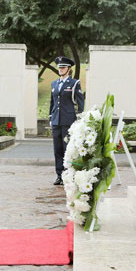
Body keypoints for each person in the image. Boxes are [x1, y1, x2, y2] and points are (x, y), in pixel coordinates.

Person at [49, 56, 84, 185]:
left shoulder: (74, 83)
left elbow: (80, 102)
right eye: (59, 67)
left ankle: (68, 174)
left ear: (69, 69)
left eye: (63, 67)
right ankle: (59, 175)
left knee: (67, 149)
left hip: (68, 121)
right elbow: (52, 102)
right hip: (56, 121)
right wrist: (50, 117)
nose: (61, 69)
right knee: (57, 150)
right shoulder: (54, 84)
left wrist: (79, 119)